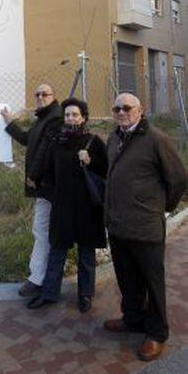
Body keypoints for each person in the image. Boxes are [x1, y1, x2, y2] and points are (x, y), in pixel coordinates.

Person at [103, 93, 187, 361]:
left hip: (145, 226)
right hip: (118, 225)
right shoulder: (114, 137)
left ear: (140, 110)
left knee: (152, 282)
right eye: (116, 108)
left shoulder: (155, 139)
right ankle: (132, 318)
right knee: (127, 279)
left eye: (127, 107)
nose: (121, 112)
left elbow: (178, 178)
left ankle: (157, 333)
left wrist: (162, 206)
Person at [27, 97, 107, 313]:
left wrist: (92, 161)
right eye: (68, 115)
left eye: (75, 114)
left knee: (86, 253)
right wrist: (53, 195)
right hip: (62, 207)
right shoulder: (57, 143)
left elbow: (107, 171)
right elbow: (47, 173)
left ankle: (85, 294)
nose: (71, 118)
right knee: (57, 250)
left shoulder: (94, 142)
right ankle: (49, 293)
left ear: (84, 118)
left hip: (87, 208)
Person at [1, 84, 62, 298]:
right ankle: (44, 278)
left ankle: (38, 279)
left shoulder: (55, 118)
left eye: (45, 93)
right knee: (45, 231)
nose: (40, 97)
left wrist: (33, 175)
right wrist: (10, 124)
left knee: (42, 231)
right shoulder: (43, 118)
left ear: (53, 96)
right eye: (37, 94)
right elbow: (29, 141)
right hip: (45, 185)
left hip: (49, 186)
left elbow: (46, 152)